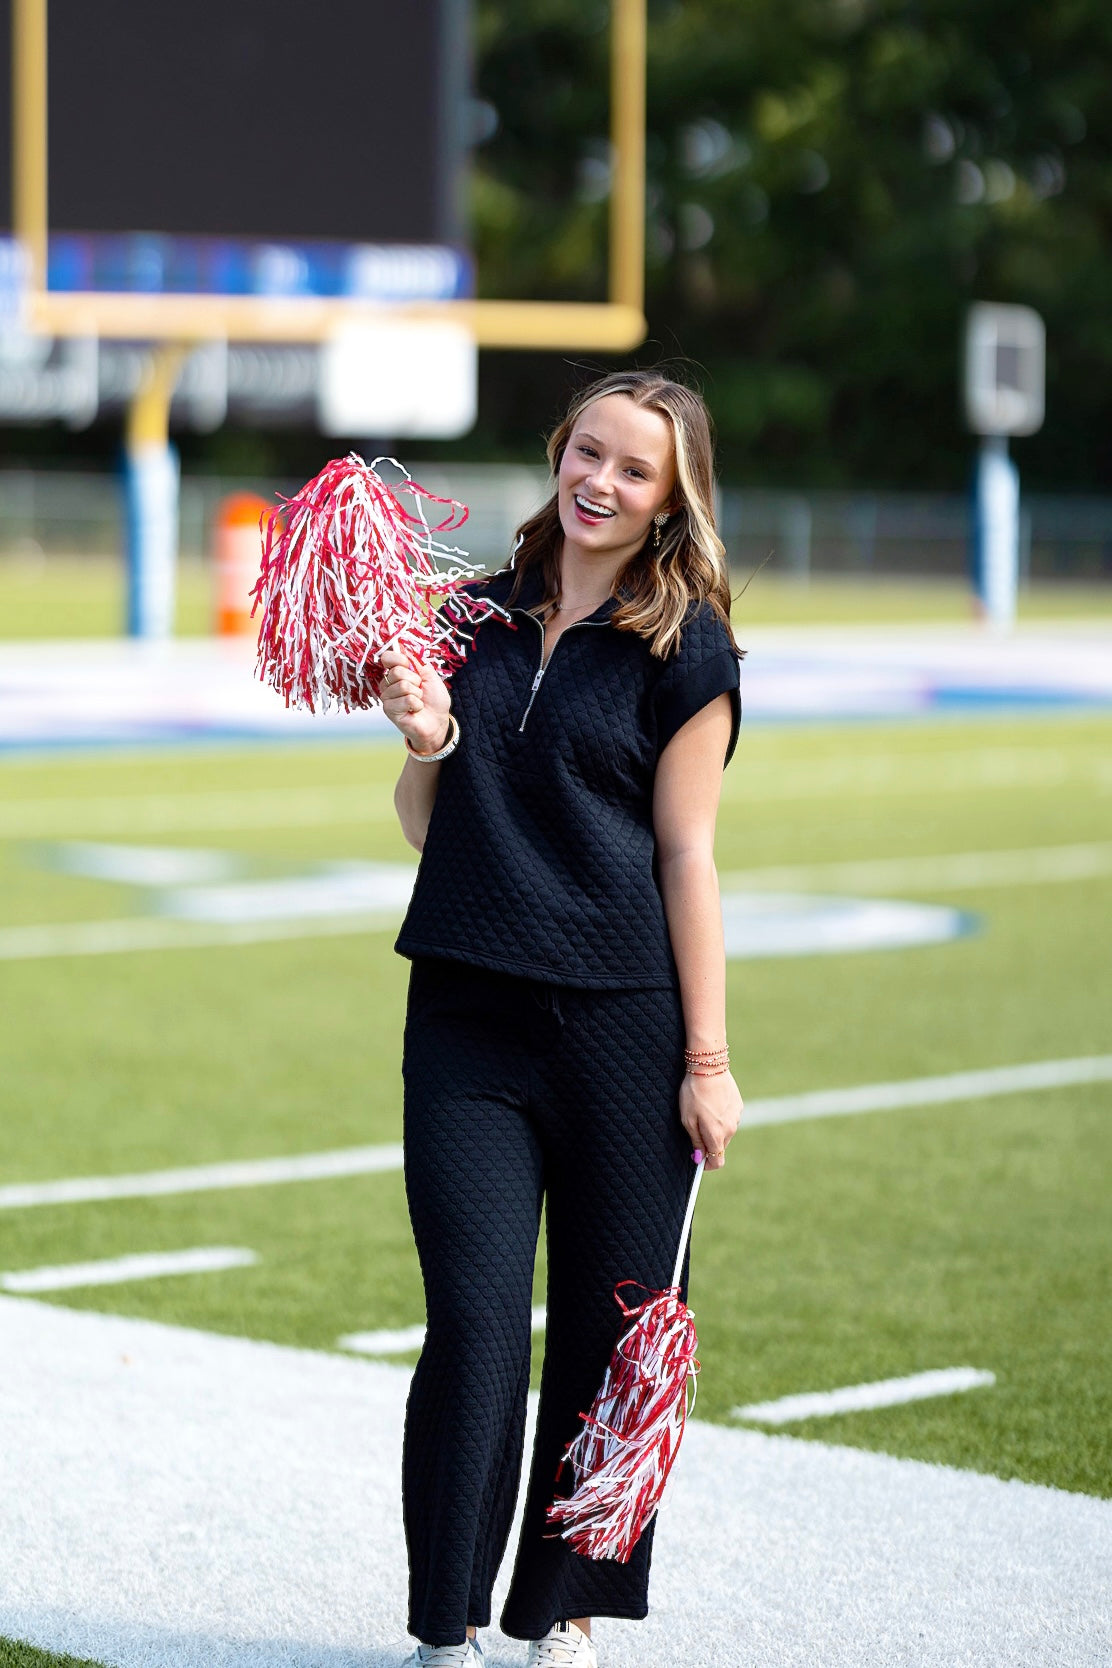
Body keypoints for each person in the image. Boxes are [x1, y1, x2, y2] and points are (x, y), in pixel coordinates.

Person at [379, 369, 745, 1668]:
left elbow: (686, 858)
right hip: (467, 1017)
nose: (601, 482)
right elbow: (432, 827)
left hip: (625, 1032)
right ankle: (445, 1627)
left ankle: (568, 1610)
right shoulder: (467, 615)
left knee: (611, 1327)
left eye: (633, 471)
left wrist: (706, 1061)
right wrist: (424, 736)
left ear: (669, 498)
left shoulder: (689, 647)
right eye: (588, 452)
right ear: (559, 451)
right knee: (475, 1319)